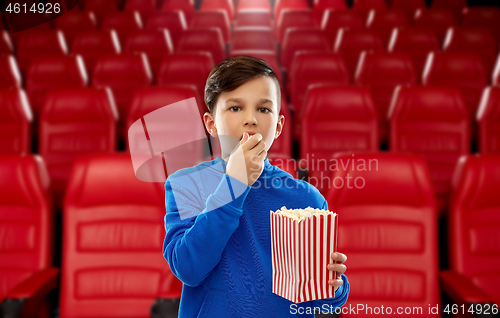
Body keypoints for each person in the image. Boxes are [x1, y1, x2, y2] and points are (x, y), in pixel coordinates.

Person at [162, 56, 349, 317]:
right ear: (211, 124)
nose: (250, 119)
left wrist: (334, 286)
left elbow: (320, 300)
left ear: (279, 126)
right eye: (236, 108)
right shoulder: (185, 184)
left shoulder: (307, 198)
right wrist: (234, 184)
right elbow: (189, 268)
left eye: (263, 109)